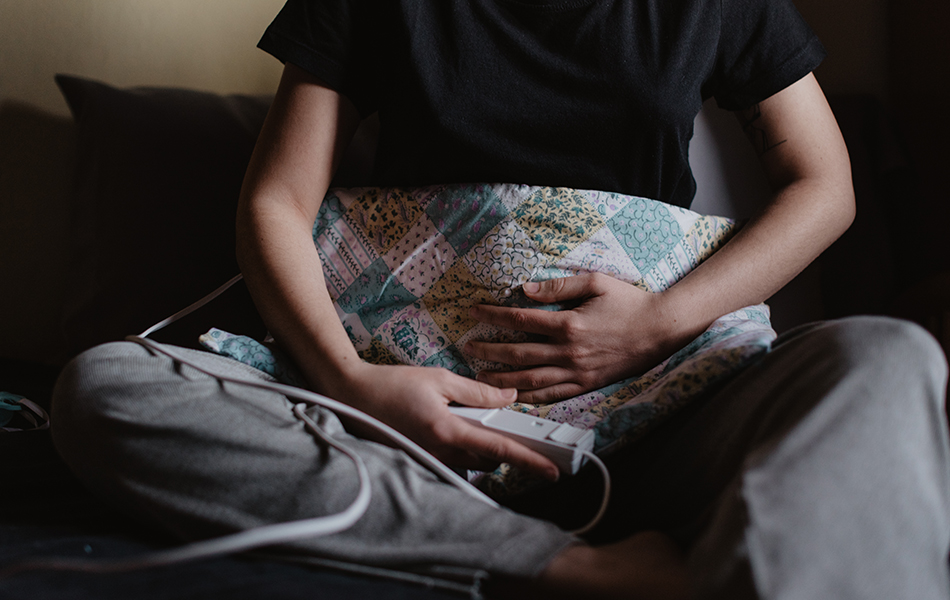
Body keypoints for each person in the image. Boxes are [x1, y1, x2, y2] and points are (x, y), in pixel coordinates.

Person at [50, 1, 950, 598]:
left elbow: (824, 185)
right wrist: (352, 380)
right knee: (108, 390)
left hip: (665, 405)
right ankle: (571, 563)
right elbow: (276, 200)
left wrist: (653, 327)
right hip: (404, 417)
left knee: (890, 358)